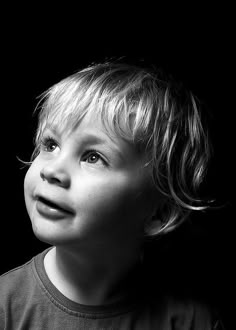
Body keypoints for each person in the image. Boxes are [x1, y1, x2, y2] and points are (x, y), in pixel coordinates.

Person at [0, 60, 223, 329]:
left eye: (93, 157)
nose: (52, 170)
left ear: (159, 214)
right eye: (51, 144)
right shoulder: (5, 306)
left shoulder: (192, 321)